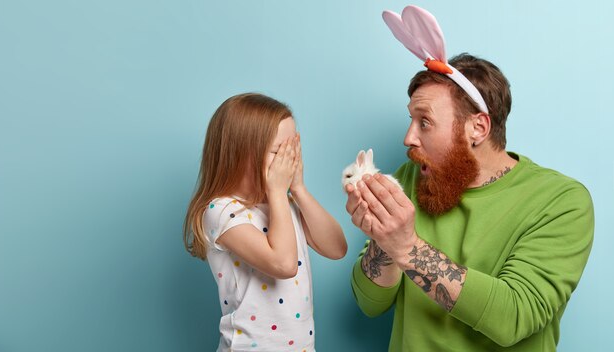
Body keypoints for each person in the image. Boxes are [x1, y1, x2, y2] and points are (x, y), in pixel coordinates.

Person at [347, 8, 594, 350]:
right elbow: (370, 303)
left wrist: (405, 246)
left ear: (478, 127)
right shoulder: (411, 178)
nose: (408, 138)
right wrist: (383, 241)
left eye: (425, 122)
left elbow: (513, 317)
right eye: (411, 120)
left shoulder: (561, 201)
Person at [184, 93, 347, 352]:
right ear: (241, 154)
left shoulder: (282, 204)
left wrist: (299, 189)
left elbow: (337, 248)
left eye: (292, 148)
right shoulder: (221, 211)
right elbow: (283, 264)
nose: (289, 158)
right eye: (278, 151)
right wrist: (278, 193)